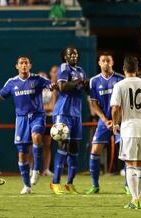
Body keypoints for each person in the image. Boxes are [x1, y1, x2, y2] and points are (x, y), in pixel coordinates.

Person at [0, 56, 53, 194]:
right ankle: (27, 185)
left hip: (37, 116)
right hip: (21, 120)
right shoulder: (12, 83)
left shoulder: (37, 79)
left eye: (26, 63)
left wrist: (53, 85)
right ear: (17, 66)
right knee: (22, 154)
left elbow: (50, 85)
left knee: (37, 137)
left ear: (30, 66)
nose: (24, 65)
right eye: (21, 63)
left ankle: (36, 170)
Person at [111, 56, 141, 209]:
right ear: (138, 69)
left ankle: (135, 199)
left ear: (124, 69)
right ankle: (137, 198)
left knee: (130, 164)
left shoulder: (119, 85)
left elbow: (115, 108)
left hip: (129, 129)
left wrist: (114, 123)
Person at [50, 47, 89, 194]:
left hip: (76, 113)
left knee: (74, 148)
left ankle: (70, 183)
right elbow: (62, 86)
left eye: (76, 53)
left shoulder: (81, 70)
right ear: (65, 57)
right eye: (70, 54)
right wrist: (79, 81)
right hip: (63, 111)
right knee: (63, 145)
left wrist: (86, 85)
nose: (74, 55)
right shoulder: (64, 67)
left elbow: (84, 89)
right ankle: (55, 182)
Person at [86, 52, 124, 194]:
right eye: (103, 61)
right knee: (94, 151)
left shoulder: (121, 79)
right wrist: (105, 120)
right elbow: (94, 104)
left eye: (108, 60)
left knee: (126, 152)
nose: (106, 63)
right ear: (99, 63)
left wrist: (116, 121)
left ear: (112, 62)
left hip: (120, 120)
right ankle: (95, 185)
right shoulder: (94, 81)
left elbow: (125, 102)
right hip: (104, 122)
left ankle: (127, 186)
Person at [40, 65, 59, 176]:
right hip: (37, 118)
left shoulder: (52, 89)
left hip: (49, 118)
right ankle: (33, 169)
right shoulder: (38, 90)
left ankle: (46, 169)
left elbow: (51, 107)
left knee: (47, 145)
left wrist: (40, 107)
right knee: (34, 144)